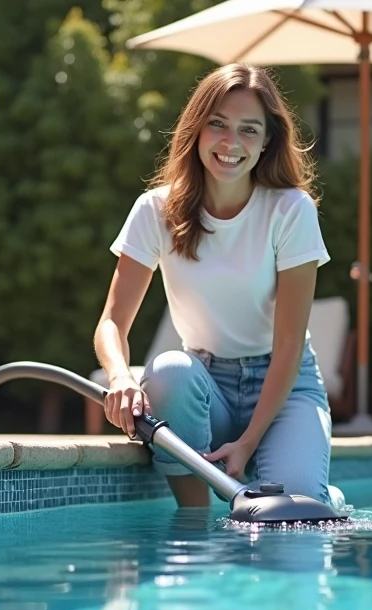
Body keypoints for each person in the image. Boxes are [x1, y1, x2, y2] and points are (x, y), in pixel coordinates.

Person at [93, 62, 335, 508]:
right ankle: (193, 523)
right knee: (167, 371)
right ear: (197, 130)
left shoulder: (291, 211)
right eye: (218, 125)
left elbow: (287, 345)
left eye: (248, 130)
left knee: (297, 514)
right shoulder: (155, 210)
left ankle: (320, 491)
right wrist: (120, 376)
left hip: (285, 385)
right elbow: (111, 323)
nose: (230, 143)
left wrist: (248, 442)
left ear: (267, 142)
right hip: (207, 384)